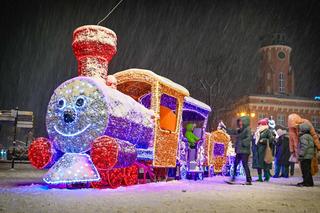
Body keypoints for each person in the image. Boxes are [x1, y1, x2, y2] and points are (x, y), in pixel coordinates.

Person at [219, 116, 252, 185]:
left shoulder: (247, 129)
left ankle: (248, 180)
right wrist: (224, 128)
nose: (240, 122)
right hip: (239, 150)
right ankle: (233, 178)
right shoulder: (240, 129)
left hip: (245, 151)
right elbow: (232, 131)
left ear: (244, 122)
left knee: (245, 165)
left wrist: (242, 142)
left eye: (241, 121)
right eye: (239, 121)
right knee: (235, 164)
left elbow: (249, 138)